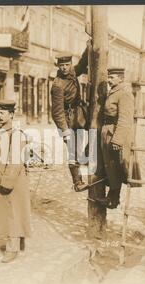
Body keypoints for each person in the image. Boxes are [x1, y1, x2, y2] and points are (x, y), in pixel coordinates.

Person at [0, 100, 32, 263]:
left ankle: (12, 248)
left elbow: (15, 161)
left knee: (12, 213)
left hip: (11, 182)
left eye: (2, 113)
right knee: (10, 212)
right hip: (0, 179)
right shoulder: (0, 132)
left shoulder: (16, 134)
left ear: (11, 115)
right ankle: (19, 242)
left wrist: (6, 183)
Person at [94, 67, 141, 209]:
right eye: (109, 77)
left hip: (115, 132)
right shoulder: (112, 92)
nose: (109, 80)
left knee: (116, 165)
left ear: (121, 78)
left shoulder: (124, 94)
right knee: (109, 165)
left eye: (112, 77)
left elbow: (125, 119)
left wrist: (118, 139)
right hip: (107, 131)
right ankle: (112, 197)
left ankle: (113, 198)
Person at [50, 48, 89, 192]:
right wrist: (64, 130)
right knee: (73, 151)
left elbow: (83, 63)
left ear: (70, 64)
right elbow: (57, 112)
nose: (64, 68)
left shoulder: (73, 73)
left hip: (77, 117)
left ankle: (87, 162)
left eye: (67, 65)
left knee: (81, 146)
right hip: (66, 121)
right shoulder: (58, 85)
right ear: (58, 66)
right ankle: (77, 182)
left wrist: (88, 46)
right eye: (61, 66)